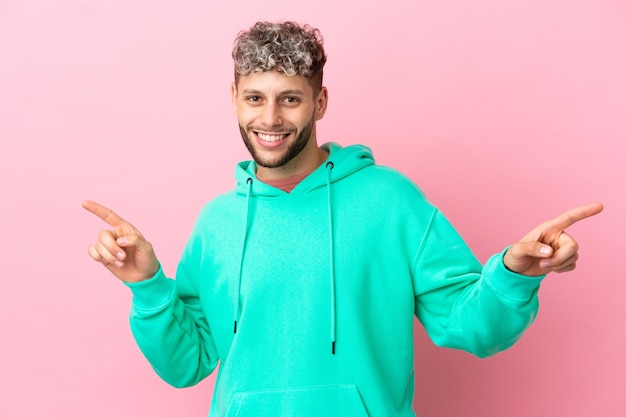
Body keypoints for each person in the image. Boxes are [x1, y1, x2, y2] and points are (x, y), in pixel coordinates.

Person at [83, 21, 603, 417]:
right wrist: (148, 286)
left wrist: (514, 274)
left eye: (290, 99)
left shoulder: (390, 201)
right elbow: (187, 364)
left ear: (320, 101)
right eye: (255, 99)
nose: (270, 119)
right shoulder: (217, 223)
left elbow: (470, 327)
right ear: (234, 102)